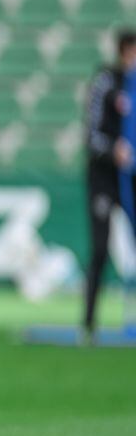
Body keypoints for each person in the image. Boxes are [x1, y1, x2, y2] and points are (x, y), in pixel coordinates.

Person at [83, 29, 136, 338]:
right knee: (100, 250)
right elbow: (90, 135)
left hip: (132, 176)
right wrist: (112, 149)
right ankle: (88, 323)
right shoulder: (106, 82)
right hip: (104, 178)